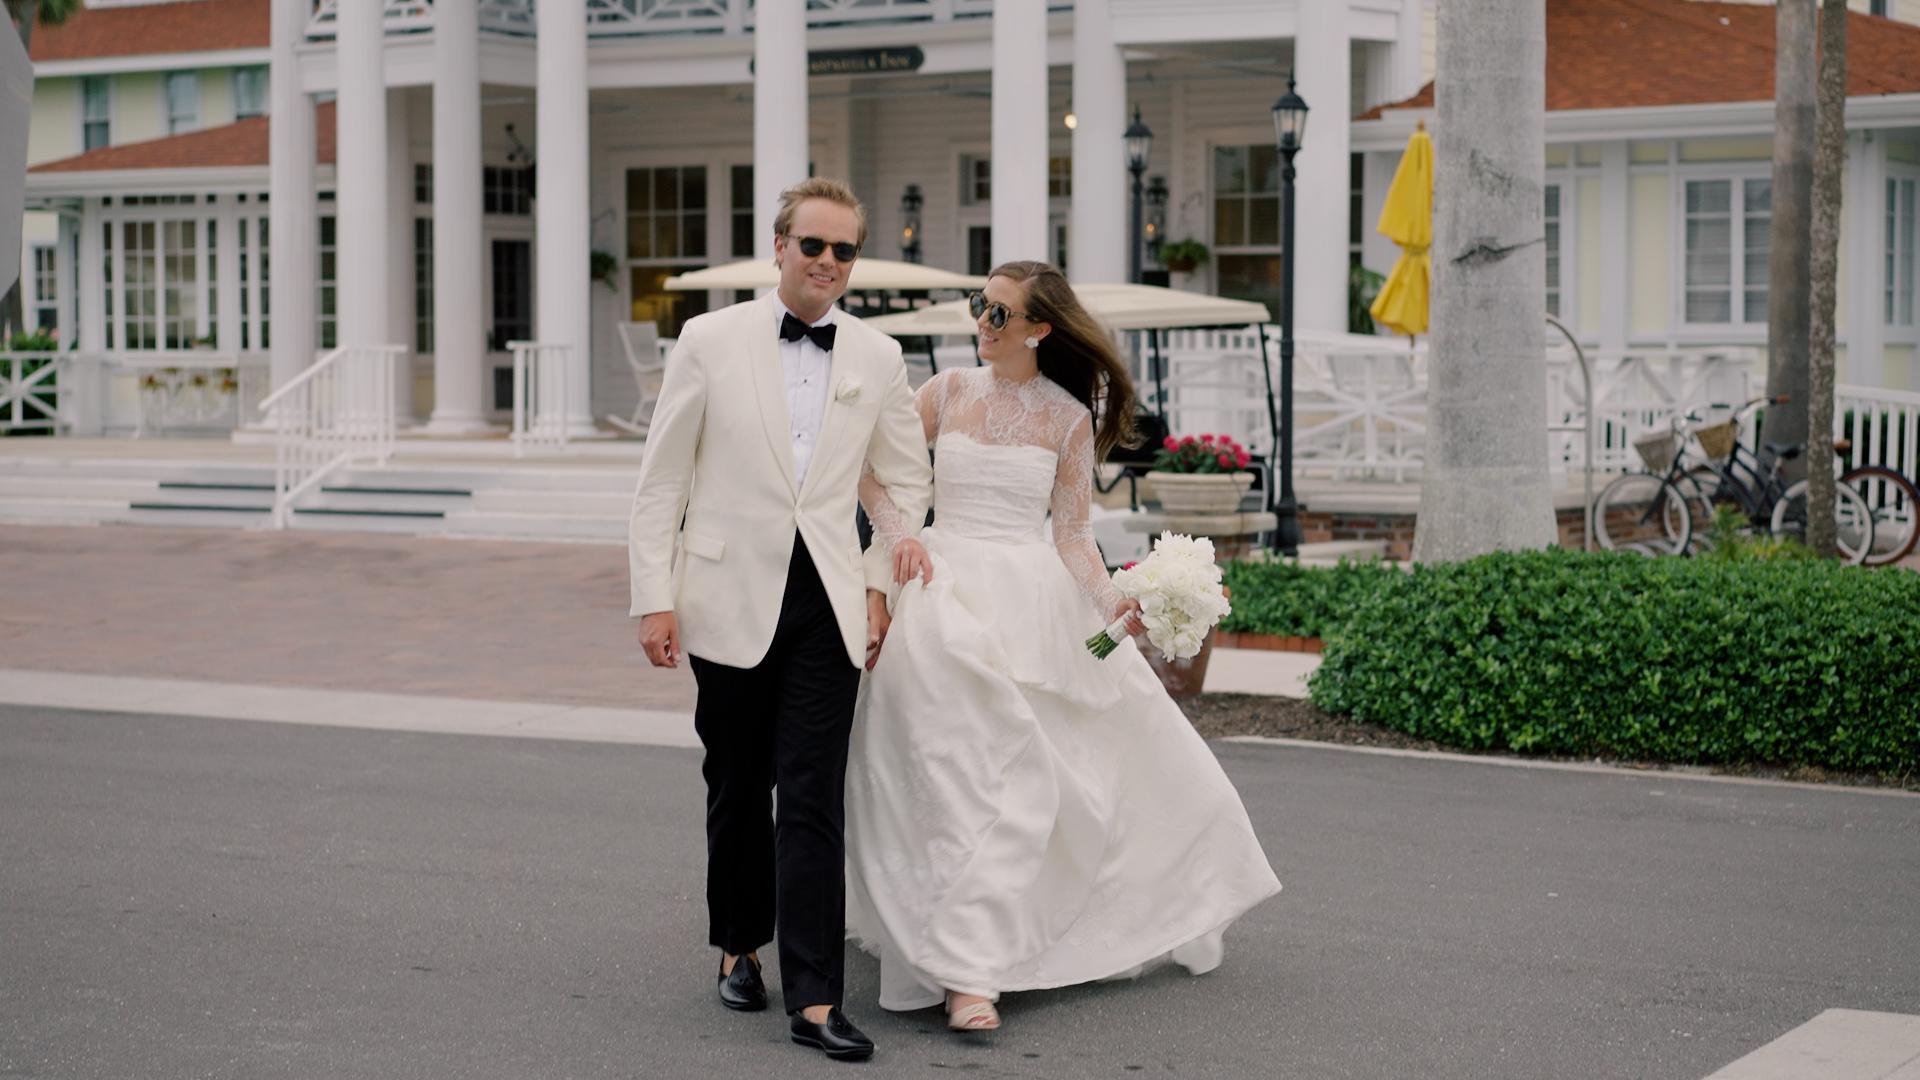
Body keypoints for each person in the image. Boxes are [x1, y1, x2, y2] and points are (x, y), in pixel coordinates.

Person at [846, 260, 1281, 1032]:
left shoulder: (1067, 420)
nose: (982, 322)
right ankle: (953, 951)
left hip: (1031, 601)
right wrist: (902, 535)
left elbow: (1075, 537)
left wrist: (1121, 601)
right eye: (980, 306)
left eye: (1001, 314)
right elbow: (871, 473)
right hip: (942, 591)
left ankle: (972, 971)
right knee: (950, 772)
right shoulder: (942, 393)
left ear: (1041, 329)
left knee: (1027, 785)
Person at [628, 178, 933, 1062]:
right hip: (724, 598)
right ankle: (738, 945)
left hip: (828, 604)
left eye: (844, 251)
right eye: (814, 246)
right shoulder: (709, 339)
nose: (829, 263)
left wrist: (879, 583)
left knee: (811, 797)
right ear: (780, 247)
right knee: (736, 783)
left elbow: (908, 482)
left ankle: (816, 998)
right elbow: (662, 480)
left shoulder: (878, 356)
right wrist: (655, 594)